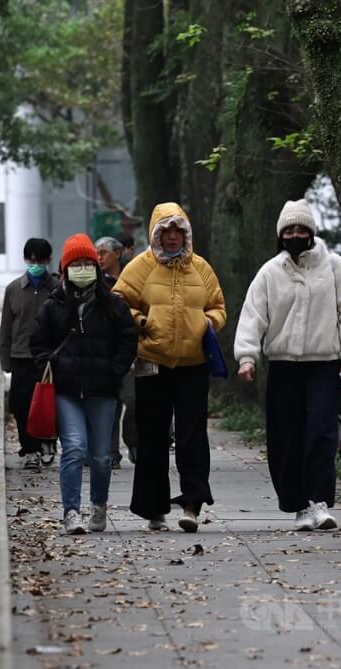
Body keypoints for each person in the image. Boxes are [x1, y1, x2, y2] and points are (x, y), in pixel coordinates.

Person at [234, 199, 341, 531]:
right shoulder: (270, 272)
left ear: (311, 232)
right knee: (287, 438)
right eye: (289, 230)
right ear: (281, 235)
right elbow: (254, 316)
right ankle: (298, 505)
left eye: (301, 229)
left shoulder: (335, 267)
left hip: (324, 365)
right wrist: (247, 356)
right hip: (283, 367)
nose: (295, 235)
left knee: (321, 432)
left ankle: (319, 502)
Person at [112, 203, 226, 532]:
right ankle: (153, 510)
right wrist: (141, 320)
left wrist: (208, 322)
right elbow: (119, 301)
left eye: (178, 231)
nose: (173, 237)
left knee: (192, 435)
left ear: (186, 234)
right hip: (153, 362)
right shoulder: (140, 267)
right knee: (152, 436)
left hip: (194, 363)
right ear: (156, 234)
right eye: (166, 232)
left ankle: (192, 504)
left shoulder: (201, 268)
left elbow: (218, 305)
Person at [31, 234, 137, 534]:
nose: (81, 269)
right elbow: (37, 342)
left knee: (101, 457)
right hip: (66, 390)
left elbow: (128, 338)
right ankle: (71, 511)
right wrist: (48, 366)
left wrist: (115, 369)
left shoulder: (112, 304)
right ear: (65, 269)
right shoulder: (53, 305)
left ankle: (99, 506)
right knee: (74, 448)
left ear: (94, 266)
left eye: (86, 263)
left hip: (102, 390)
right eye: (74, 264)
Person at [1, 238, 58, 470]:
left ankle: (47, 442)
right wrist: (6, 360)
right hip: (21, 355)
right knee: (20, 404)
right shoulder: (14, 289)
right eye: (32, 259)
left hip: (49, 357)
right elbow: (6, 327)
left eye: (40, 259)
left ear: (48, 260)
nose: (36, 263)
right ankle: (30, 448)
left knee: (48, 404)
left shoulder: (56, 288)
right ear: (26, 259)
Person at [95, 235, 136, 470]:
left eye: (103, 253)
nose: (99, 257)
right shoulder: (95, 282)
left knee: (133, 400)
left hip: (131, 351)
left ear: (118, 254)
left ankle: (133, 441)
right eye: (97, 253)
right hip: (104, 352)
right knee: (109, 406)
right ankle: (111, 452)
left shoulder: (133, 278)